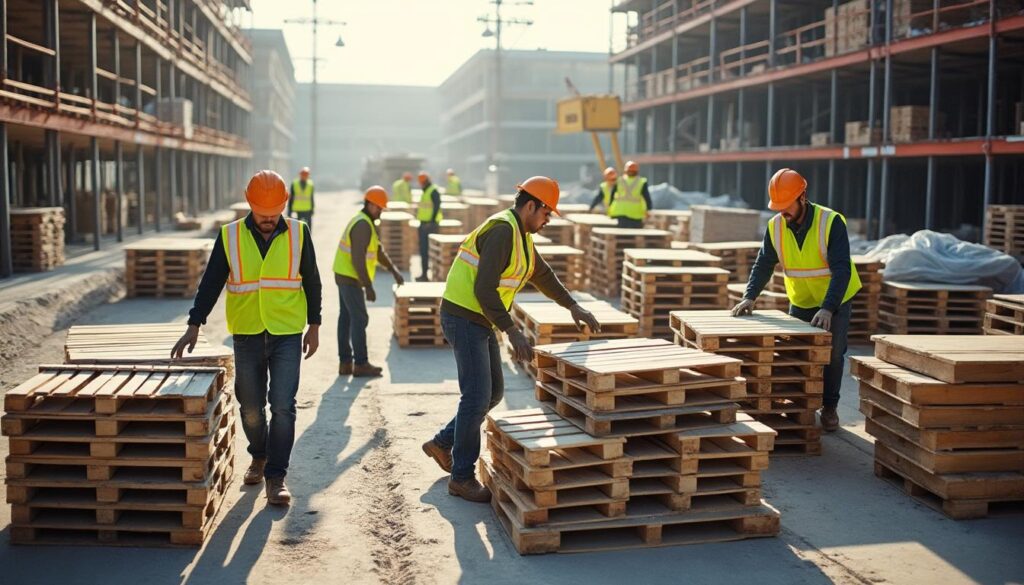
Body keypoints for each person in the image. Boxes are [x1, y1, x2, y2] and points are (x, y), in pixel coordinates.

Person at [421, 176, 602, 502]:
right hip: (464, 317)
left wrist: (572, 305)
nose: (547, 221)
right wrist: (512, 330)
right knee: (476, 396)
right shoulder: (504, 230)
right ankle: (461, 477)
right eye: (546, 213)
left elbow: (542, 274)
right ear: (530, 205)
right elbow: (483, 289)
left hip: (479, 319)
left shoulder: (522, 236)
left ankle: (442, 442)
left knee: (493, 393)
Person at [172, 170, 322, 506]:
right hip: (247, 333)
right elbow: (211, 282)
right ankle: (259, 455)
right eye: (261, 214)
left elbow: (312, 280)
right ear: (249, 205)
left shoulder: (299, 233)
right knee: (252, 407)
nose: (268, 220)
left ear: (284, 205)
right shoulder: (230, 236)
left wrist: (315, 324)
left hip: (286, 332)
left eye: (274, 214)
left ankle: (276, 475)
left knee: (283, 406)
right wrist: (194, 323)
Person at [731, 168, 861, 433]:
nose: (781, 212)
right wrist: (750, 296)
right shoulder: (776, 226)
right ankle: (799, 408)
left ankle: (830, 407)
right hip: (801, 300)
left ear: (802, 197)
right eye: (777, 207)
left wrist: (828, 307)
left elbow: (842, 270)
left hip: (835, 299)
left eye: (785, 205)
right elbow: (764, 263)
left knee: (833, 355)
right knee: (796, 355)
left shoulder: (831, 222)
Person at [334, 186, 405, 377]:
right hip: (350, 277)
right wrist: (368, 286)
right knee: (359, 318)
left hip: (344, 274)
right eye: (379, 207)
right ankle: (361, 363)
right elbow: (358, 258)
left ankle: (345, 363)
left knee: (347, 317)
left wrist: (393, 270)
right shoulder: (363, 225)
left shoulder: (366, 222)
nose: (381, 211)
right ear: (371, 204)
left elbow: (378, 251)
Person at [608, 160, 652, 228]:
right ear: (636, 171)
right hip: (636, 213)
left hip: (621, 212)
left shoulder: (619, 181)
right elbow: (647, 197)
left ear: (626, 170)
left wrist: (610, 208)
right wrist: (649, 209)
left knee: (622, 235)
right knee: (634, 235)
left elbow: (612, 196)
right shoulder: (641, 182)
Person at [415, 171, 442, 282]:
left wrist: (431, 222)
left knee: (427, 250)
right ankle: (425, 274)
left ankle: (428, 274)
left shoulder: (432, 191)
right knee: (423, 250)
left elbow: (437, 206)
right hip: (423, 224)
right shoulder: (425, 191)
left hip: (429, 225)